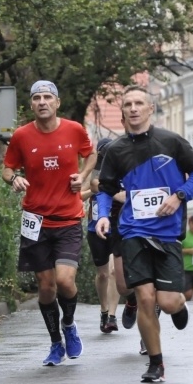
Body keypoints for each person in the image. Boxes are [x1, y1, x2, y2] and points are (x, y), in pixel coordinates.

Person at [96, 86, 193, 383]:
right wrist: (103, 216)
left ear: (150, 109)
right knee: (145, 297)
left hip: (168, 233)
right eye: (128, 104)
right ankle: (155, 363)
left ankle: (178, 307)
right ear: (123, 112)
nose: (133, 108)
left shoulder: (170, 141)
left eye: (138, 103)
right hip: (133, 230)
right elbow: (105, 189)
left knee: (168, 301)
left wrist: (179, 196)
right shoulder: (117, 150)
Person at [2, 80, 97, 366]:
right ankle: (56, 342)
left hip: (68, 218)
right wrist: (15, 178)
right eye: (36, 98)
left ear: (56, 103)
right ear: (31, 105)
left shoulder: (74, 130)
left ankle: (69, 324)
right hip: (35, 220)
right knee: (45, 288)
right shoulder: (21, 136)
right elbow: (7, 169)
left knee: (65, 281)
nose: (42, 102)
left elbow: (91, 153)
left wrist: (83, 174)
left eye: (47, 97)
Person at [83, 138, 119, 333]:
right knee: (103, 274)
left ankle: (112, 316)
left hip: (116, 227)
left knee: (114, 272)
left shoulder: (119, 168)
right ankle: (104, 310)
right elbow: (78, 195)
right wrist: (92, 190)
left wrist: (110, 191)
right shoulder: (92, 171)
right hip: (94, 228)